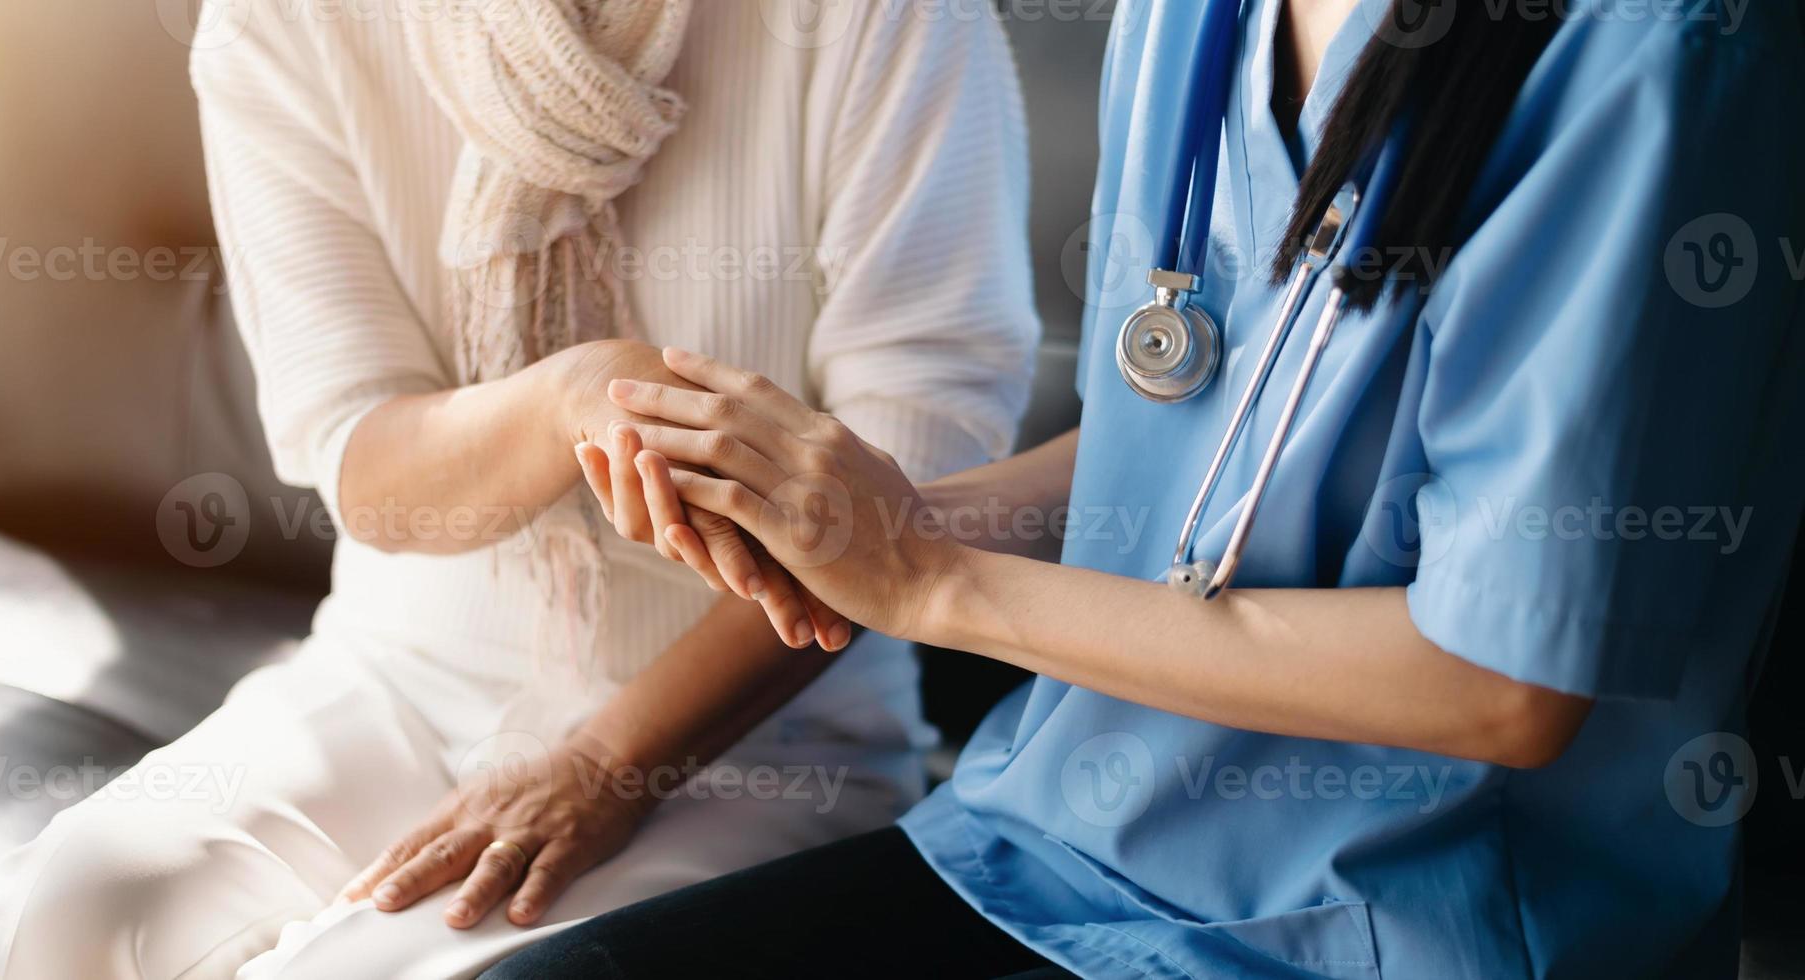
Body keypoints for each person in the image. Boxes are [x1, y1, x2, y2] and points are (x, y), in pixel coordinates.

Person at [508, 0, 1805, 977]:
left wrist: (932, 579)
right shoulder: (1195, 14)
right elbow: (1192, 442)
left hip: (1401, 927)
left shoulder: (1656, 51)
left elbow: (1501, 682)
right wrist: (860, 521)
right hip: (1058, 844)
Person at [0, 1, 1038, 977]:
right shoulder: (284, 22)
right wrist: (565, 401)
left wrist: (604, 762)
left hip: (764, 744)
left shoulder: (885, 19)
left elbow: (915, 475)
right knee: (76, 909)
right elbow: (360, 457)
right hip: (398, 679)